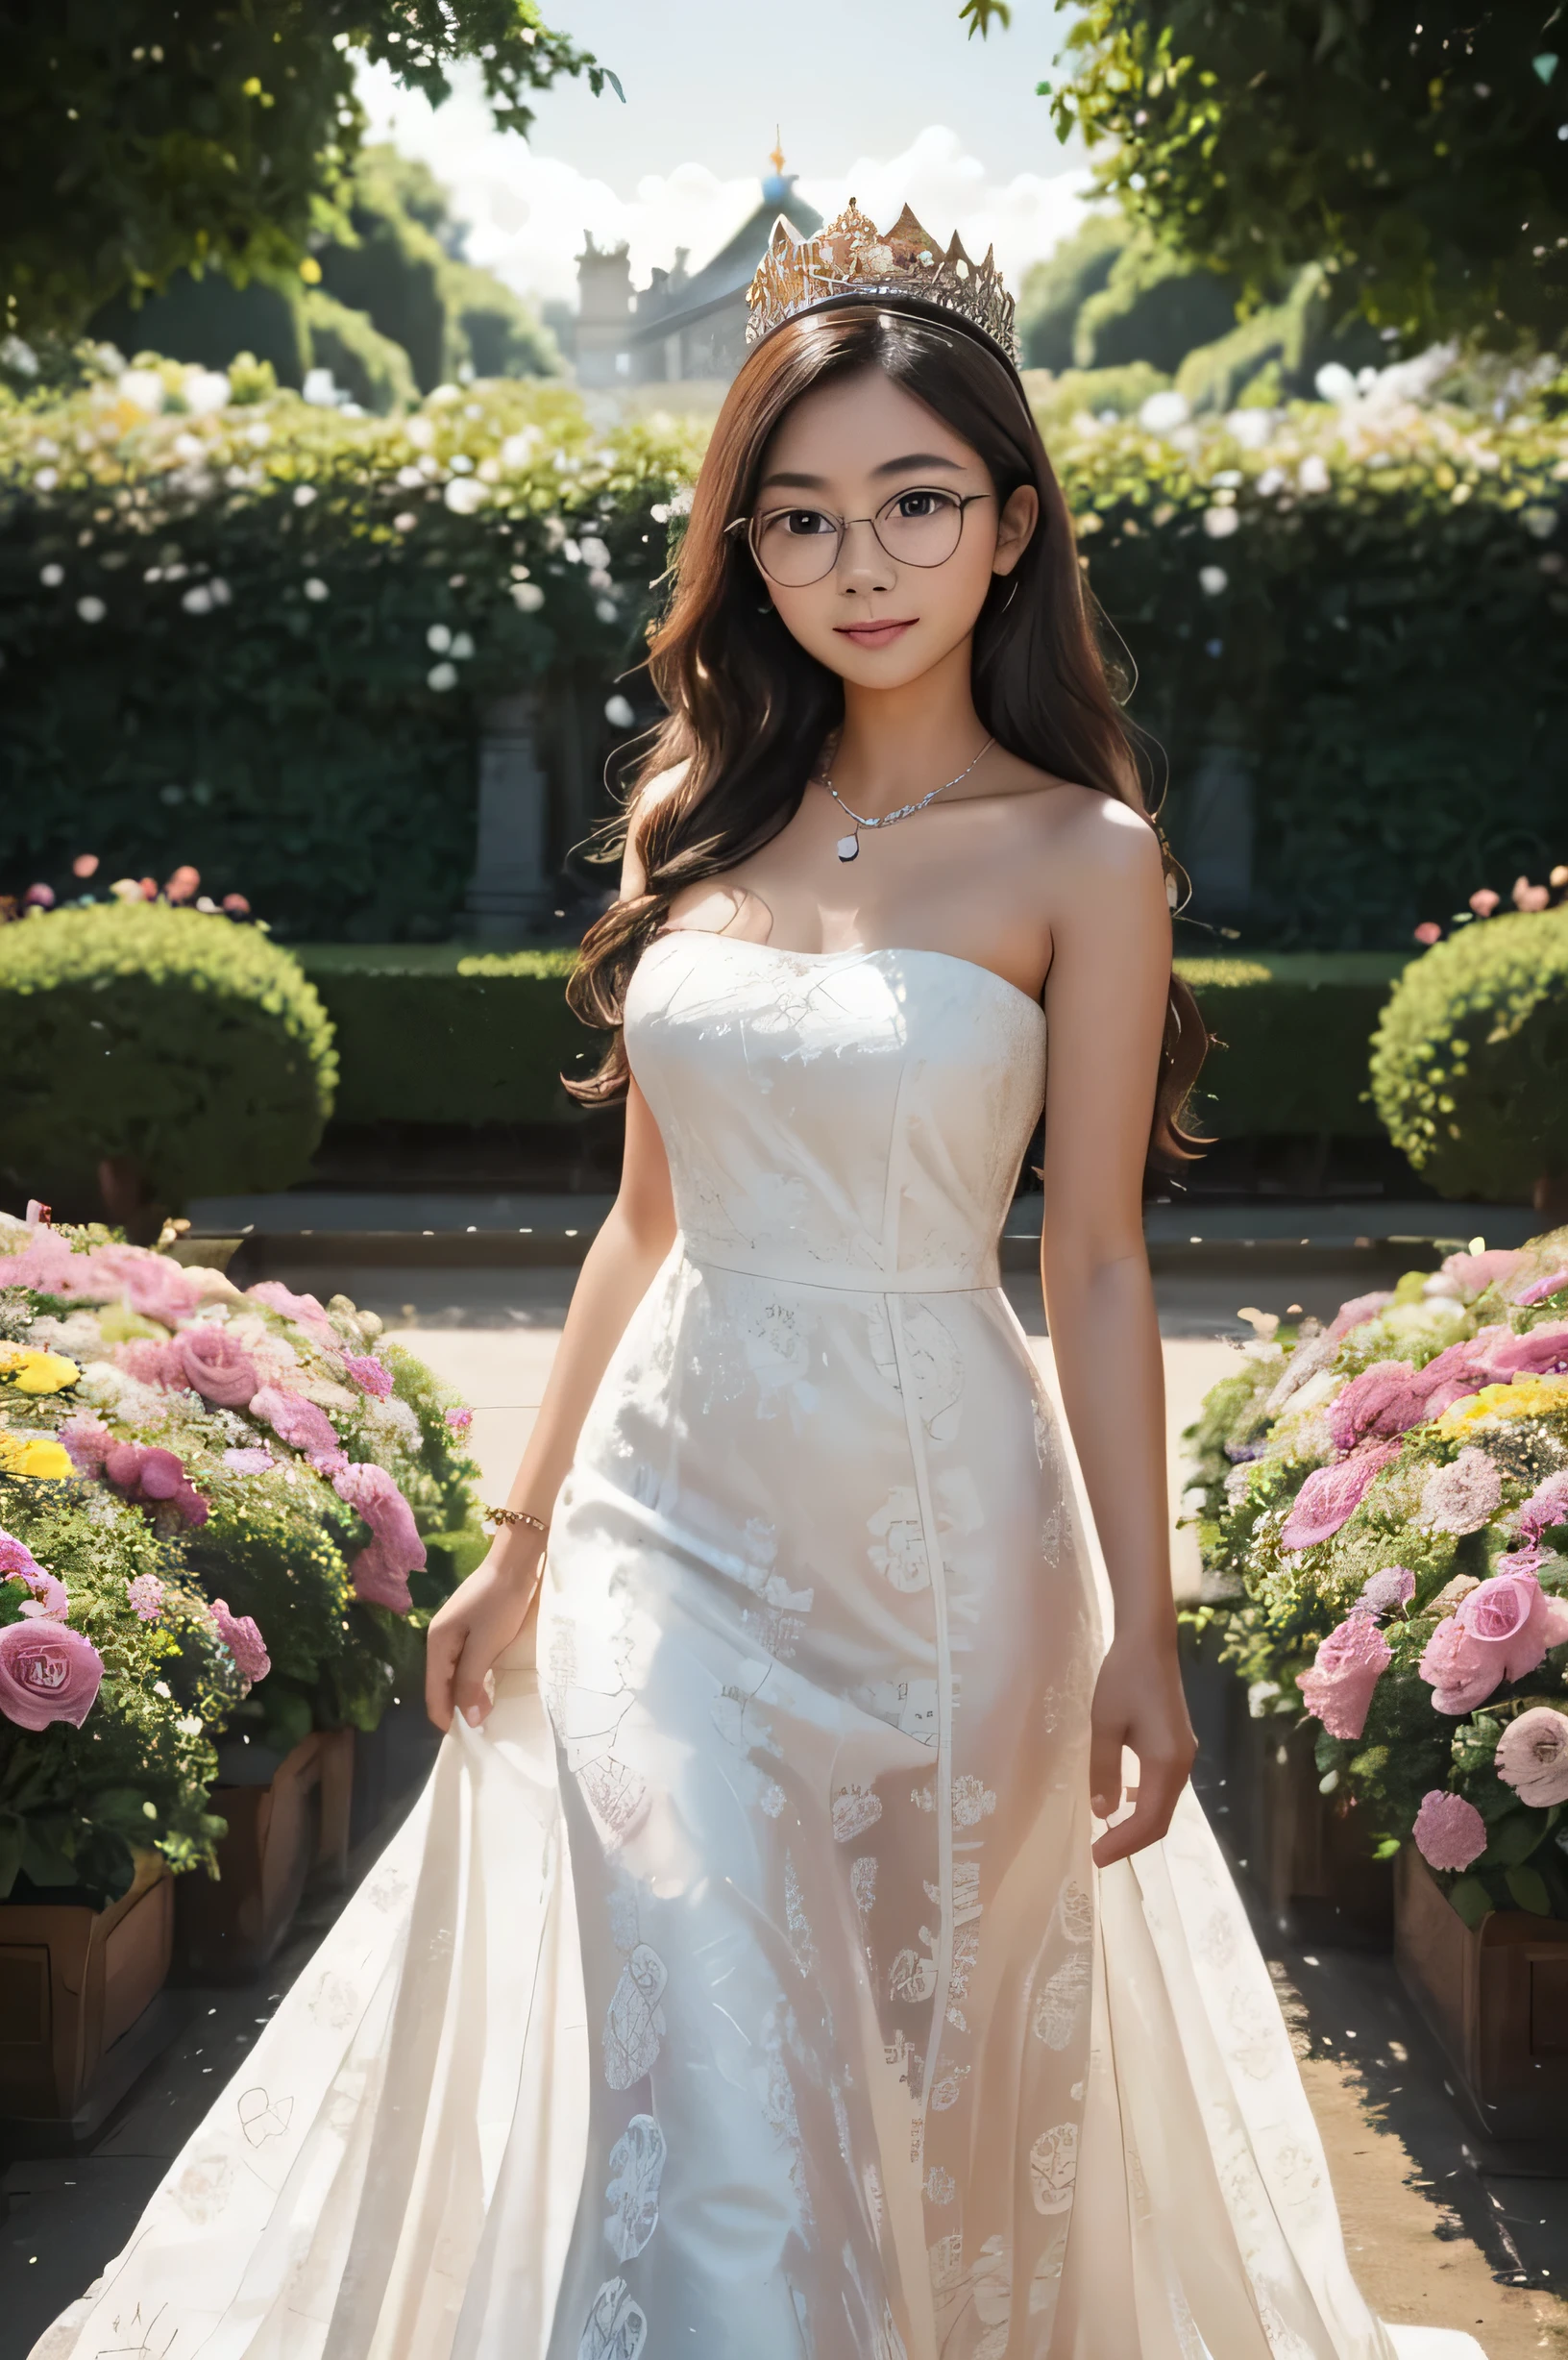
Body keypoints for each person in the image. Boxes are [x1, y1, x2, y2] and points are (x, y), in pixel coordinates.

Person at [36, 206, 1484, 2360]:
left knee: (904, 2084)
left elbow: (1093, 1260)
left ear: (1010, 525)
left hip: (943, 1544)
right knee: (711, 2066)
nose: (858, 560)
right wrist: (518, 1548)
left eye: (914, 501)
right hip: (664, 1525)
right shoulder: (697, 817)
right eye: (797, 516)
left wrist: (1144, 1631)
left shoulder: (1088, 860)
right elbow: (644, 1219)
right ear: (746, 546)